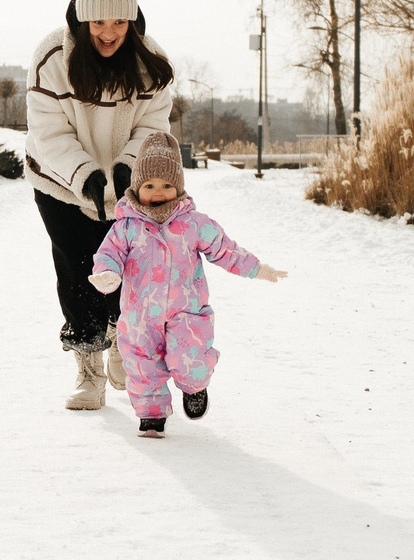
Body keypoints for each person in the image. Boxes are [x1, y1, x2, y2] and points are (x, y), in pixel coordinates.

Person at [25, 0, 176, 410]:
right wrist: (86, 175)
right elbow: (48, 132)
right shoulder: (53, 55)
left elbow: (153, 126)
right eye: (98, 22)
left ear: (131, 21)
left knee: (128, 272)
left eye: (118, 22)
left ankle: (118, 338)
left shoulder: (149, 62)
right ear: (81, 20)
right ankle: (88, 367)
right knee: (78, 269)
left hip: (129, 188)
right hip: (59, 183)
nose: (108, 32)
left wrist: (129, 168)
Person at [88, 131, 286, 436]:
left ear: (178, 188)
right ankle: (151, 414)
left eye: (167, 186)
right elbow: (108, 254)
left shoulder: (194, 224)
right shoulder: (125, 227)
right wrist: (106, 275)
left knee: (190, 356)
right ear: (137, 187)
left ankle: (194, 387)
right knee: (142, 363)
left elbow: (224, 249)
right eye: (150, 185)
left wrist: (256, 269)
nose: (158, 192)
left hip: (186, 314)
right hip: (140, 316)